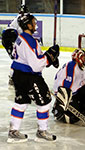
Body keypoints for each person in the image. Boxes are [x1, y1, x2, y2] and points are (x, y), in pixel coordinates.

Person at [7, 13, 59, 143]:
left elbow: (27, 57)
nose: (35, 24)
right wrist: (49, 57)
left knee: (21, 102)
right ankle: (42, 131)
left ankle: (13, 131)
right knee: (45, 101)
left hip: (17, 74)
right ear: (27, 25)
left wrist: (46, 57)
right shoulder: (30, 41)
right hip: (29, 76)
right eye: (33, 22)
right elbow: (36, 65)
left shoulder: (20, 38)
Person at [52, 48, 85, 126]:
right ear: (78, 57)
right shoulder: (72, 66)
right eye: (83, 58)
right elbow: (65, 86)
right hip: (66, 97)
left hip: (73, 95)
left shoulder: (80, 69)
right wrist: (64, 102)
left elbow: (81, 87)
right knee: (72, 118)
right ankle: (60, 110)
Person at [2, 5, 29, 86]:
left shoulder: (18, 17)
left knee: (16, 58)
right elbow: (23, 34)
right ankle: (14, 77)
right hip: (12, 35)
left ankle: (12, 77)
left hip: (5, 37)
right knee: (18, 58)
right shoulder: (23, 18)